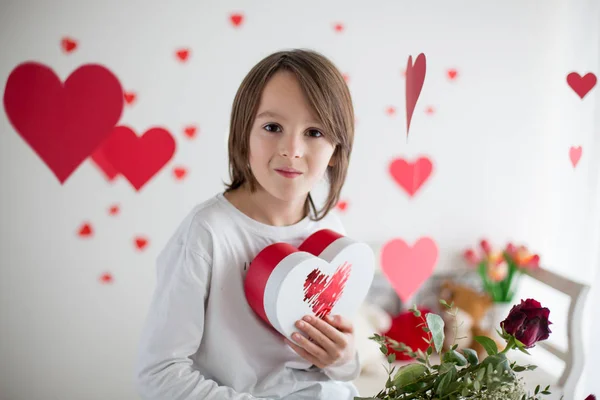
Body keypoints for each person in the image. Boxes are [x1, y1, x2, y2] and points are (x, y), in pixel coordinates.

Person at [135, 48, 361, 399]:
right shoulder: (207, 233)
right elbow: (158, 373)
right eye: (273, 127)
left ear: (336, 149)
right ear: (243, 133)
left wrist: (343, 359)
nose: (292, 149)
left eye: (314, 132)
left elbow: (339, 369)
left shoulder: (330, 232)